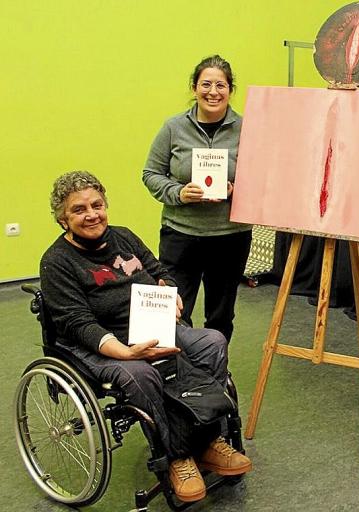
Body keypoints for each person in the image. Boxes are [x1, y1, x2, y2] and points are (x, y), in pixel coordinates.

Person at [40, 171, 252, 503]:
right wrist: (126, 353)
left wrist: (169, 290)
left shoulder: (123, 236)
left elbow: (158, 269)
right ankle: (176, 458)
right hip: (101, 342)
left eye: (97, 204)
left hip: (147, 325)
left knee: (211, 342)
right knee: (142, 374)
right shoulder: (57, 262)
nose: (91, 214)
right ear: (62, 219)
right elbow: (78, 323)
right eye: (79, 209)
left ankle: (208, 443)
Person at [142, 55, 252, 342]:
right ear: (194, 88)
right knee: (175, 310)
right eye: (205, 84)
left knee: (221, 314)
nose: (213, 92)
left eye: (220, 85)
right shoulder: (173, 128)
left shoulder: (248, 128)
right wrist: (178, 193)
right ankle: (178, 374)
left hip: (230, 237)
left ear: (230, 90)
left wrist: (235, 190)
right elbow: (151, 173)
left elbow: (263, 180)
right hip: (181, 235)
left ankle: (214, 373)